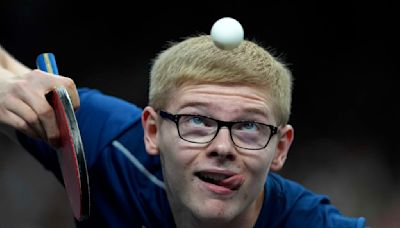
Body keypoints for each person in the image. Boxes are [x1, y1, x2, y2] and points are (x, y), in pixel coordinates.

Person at [0, 35, 366, 227]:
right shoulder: (111, 147)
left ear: (281, 148)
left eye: (249, 126)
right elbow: (11, 71)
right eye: (198, 121)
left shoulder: (312, 223)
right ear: (152, 131)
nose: (223, 147)